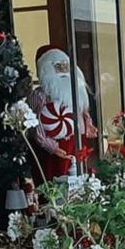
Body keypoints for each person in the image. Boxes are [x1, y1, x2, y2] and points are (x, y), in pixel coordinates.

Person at [27, 45, 97, 183]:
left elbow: (83, 110)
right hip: (53, 146)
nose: (63, 71)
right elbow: (35, 123)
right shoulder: (40, 95)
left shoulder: (77, 90)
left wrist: (88, 126)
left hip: (76, 140)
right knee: (53, 182)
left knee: (77, 177)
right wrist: (49, 145)